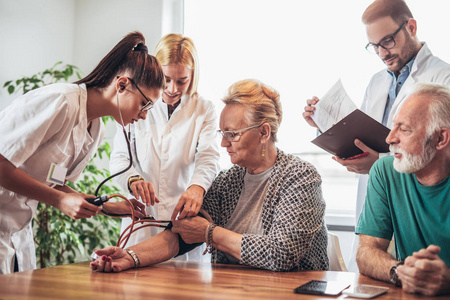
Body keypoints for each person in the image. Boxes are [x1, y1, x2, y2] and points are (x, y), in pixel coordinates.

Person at [91, 79, 329, 272]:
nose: (224, 143)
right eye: (221, 133)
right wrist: (130, 256)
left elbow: (282, 254)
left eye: (232, 134)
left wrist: (210, 233)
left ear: (264, 132)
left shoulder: (300, 177)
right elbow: (181, 235)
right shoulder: (228, 181)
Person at [0, 31, 165, 274]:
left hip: (17, 234)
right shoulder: (60, 101)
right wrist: (59, 200)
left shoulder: (95, 127)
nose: (144, 115)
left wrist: (106, 206)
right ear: (122, 85)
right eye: (145, 104)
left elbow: (54, 182)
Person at [302, 0, 450, 271]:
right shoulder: (377, 82)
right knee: (375, 267)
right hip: (381, 194)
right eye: (374, 46)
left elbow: (438, 153)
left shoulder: (444, 78)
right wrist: (325, 123)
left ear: (412, 27)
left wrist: (381, 162)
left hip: (419, 201)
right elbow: (364, 134)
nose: (382, 53)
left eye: (388, 41)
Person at [109, 33, 220, 261]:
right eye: (166, 78)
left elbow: (208, 158)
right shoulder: (135, 102)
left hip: (183, 227)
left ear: (193, 76)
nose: (171, 88)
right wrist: (133, 180)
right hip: (141, 225)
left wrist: (197, 188)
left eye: (182, 81)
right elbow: (119, 158)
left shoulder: (204, 109)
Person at [356, 83, 450, 296]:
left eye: (404, 130)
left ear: (440, 138)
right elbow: (366, 253)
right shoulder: (386, 171)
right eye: (393, 126)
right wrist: (400, 271)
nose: (390, 139)